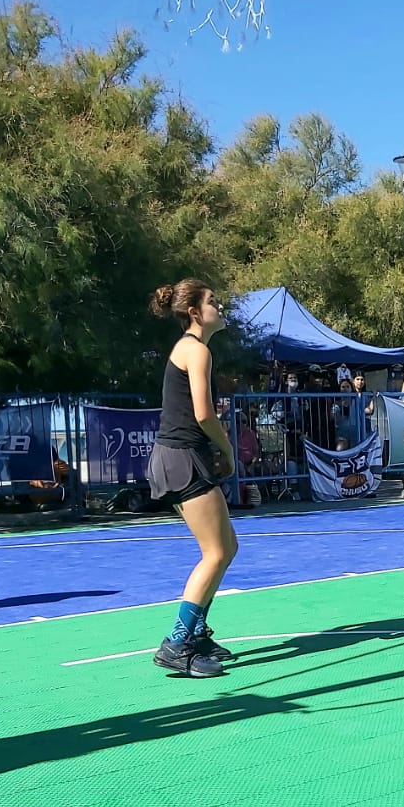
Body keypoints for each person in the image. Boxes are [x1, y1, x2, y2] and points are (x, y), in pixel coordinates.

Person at [147, 280, 240, 679]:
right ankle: (177, 643)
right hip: (182, 458)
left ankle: (197, 631)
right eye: (212, 302)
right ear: (194, 313)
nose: (219, 307)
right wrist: (229, 449)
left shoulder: (189, 349)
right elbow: (203, 414)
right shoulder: (197, 350)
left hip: (180, 457)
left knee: (226, 546)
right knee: (215, 553)